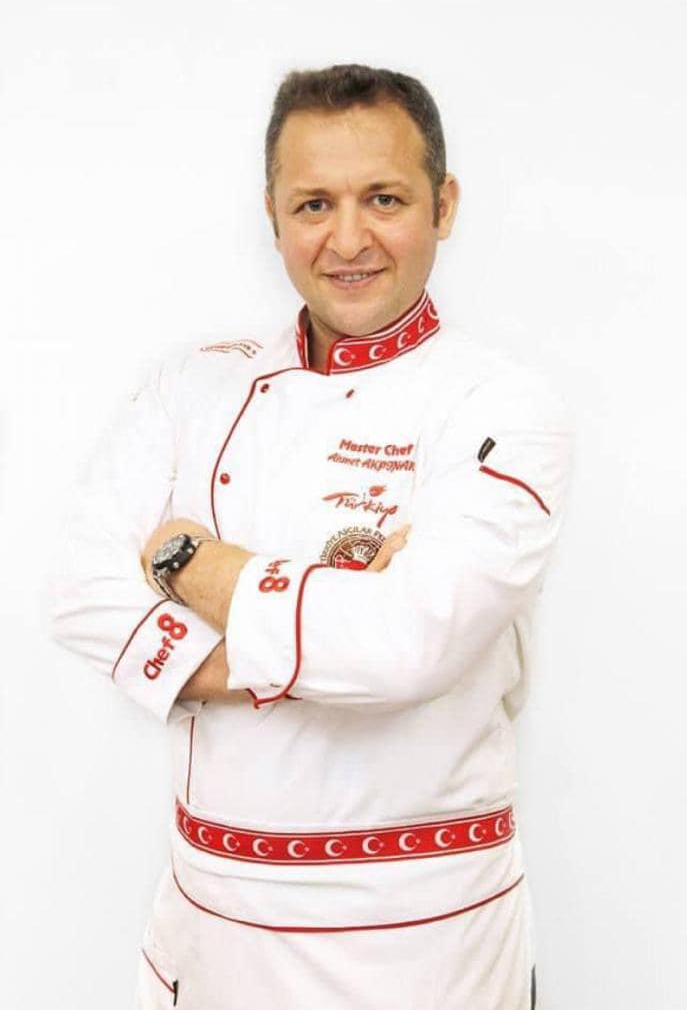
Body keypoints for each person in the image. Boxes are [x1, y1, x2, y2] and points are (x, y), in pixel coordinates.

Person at [51, 63, 571, 1009]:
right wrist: (323, 626)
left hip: (421, 939)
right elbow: (82, 591)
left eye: (384, 199)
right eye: (313, 204)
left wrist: (183, 561)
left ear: (444, 204)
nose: (348, 239)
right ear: (272, 215)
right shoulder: (190, 383)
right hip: (208, 922)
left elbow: (404, 645)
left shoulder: (500, 405)